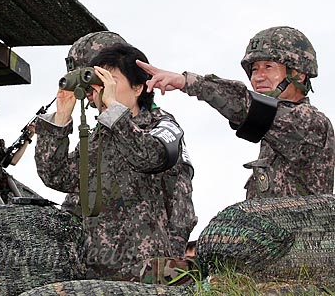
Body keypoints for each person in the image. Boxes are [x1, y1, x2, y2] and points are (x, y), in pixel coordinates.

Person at [34, 43, 194, 281]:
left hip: (147, 268)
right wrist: (59, 122)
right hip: (97, 267)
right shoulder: (99, 134)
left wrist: (172, 257)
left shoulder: (161, 125)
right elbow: (57, 176)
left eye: (112, 80)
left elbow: (149, 157)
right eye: (99, 80)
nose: (102, 88)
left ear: (138, 87)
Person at [138, 26, 335, 199]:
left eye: (268, 67)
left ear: (298, 74)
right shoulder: (273, 132)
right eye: (254, 69)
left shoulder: (310, 124)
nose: (258, 77)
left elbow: (244, 105)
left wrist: (187, 82)